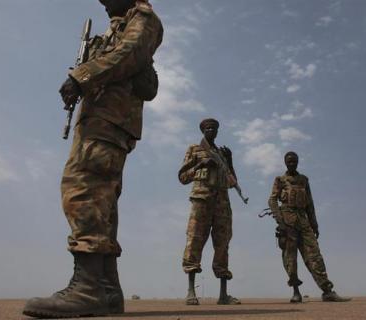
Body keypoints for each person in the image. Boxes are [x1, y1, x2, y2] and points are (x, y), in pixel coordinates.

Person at [23, 0, 163, 318]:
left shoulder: (142, 17)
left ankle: (87, 289)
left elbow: (129, 54)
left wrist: (81, 76)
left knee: (82, 190)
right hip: (102, 120)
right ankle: (107, 291)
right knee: (102, 204)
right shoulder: (118, 26)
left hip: (109, 121)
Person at [268, 151, 351, 303]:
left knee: (315, 256)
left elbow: (310, 205)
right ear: (285, 163)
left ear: (298, 162)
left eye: (294, 161)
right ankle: (296, 292)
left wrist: (314, 225)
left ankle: (327, 291)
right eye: (289, 161)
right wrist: (280, 222)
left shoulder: (304, 180)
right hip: (287, 222)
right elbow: (272, 201)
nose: (292, 163)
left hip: (303, 222)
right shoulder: (280, 180)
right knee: (290, 258)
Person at [178, 118, 241, 305]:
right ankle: (191, 292)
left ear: (218, 131)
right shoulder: (194, 150)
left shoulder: (221, 153)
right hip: (202, 201)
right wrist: (200, 165)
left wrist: (229, 160)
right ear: (202, 130)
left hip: (222, 204)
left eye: (214, 128)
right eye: (207, 128)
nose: (211, 130)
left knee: (223, 245)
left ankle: (223, 295)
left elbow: (232, 183)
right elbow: (182, 177)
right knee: (195, 240)